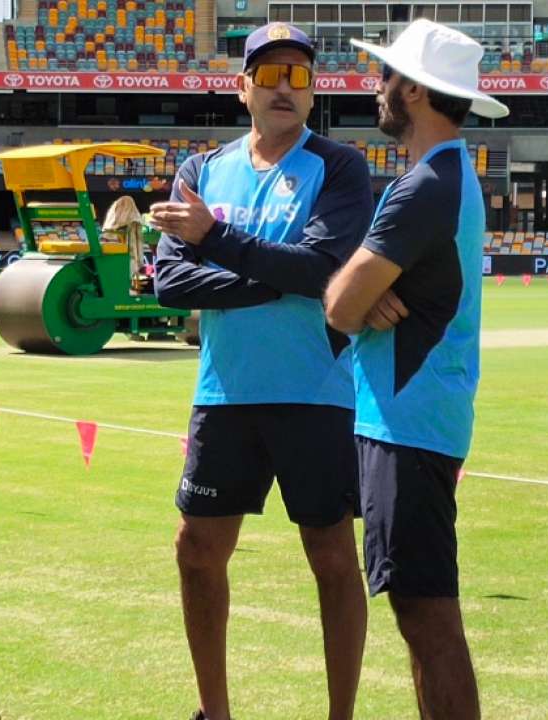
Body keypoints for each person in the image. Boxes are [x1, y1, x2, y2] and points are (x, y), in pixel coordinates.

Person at [148, 22, 375, 720]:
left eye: (300, 76)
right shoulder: (202, 170)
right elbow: (167, 282)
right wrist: (272, 278)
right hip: (225, 392)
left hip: (316, 392)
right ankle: (213, 711)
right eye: (270, 74)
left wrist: (216, 240)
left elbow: (320, 266)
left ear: (314, 93)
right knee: (196, 550)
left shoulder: (338, 167)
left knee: (332, 558)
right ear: (241, 86)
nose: (285, 87)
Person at [323, 19, 510, 720]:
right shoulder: (445, 175)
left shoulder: (425, 185)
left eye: (387, 77)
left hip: (409, 421)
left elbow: (341, 305)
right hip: (414, 415)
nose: (377, 88)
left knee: (427, 619)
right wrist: (363, 298)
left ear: (417, 91)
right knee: (419, 615)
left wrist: (356, 298)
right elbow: (358, 301)